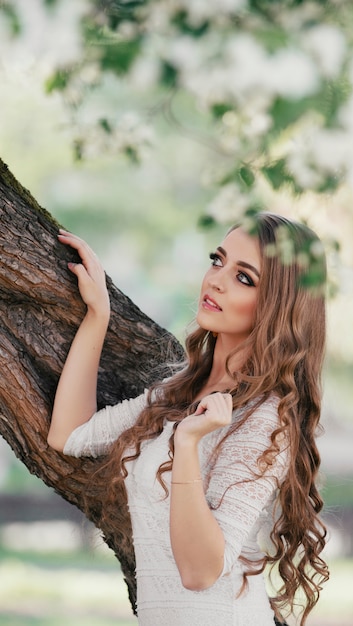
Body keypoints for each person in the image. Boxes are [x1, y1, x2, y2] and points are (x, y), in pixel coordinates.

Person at [47, 212, 329, 626]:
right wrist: (98, 317)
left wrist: (187, 444)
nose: (215, 280)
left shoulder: (265, 420)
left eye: (244, 278)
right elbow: (69, 436)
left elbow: (200, 572)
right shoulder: (177, 392)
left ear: (278, 308)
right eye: (218, 260)